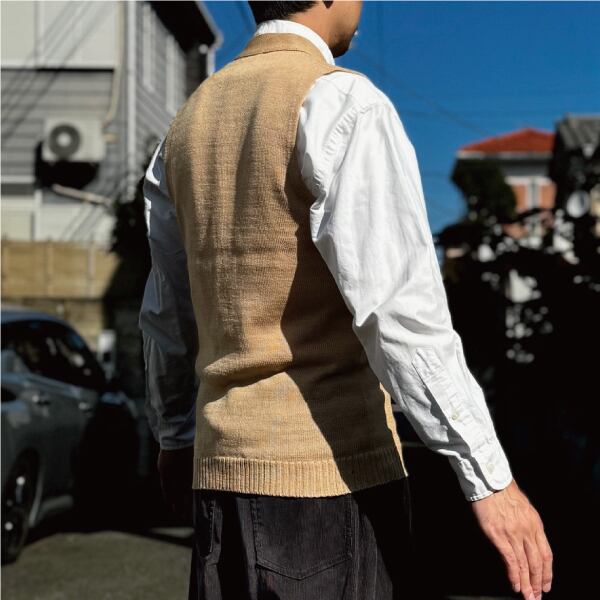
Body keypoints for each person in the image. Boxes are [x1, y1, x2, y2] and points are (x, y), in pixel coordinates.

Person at [138, 2, 553, 599]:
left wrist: (175, 435)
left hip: (218, 479)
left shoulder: (186, 127)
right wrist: (490, 479)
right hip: (328, 486)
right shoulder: (342, 103)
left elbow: (166, 312)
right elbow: (399, 314)